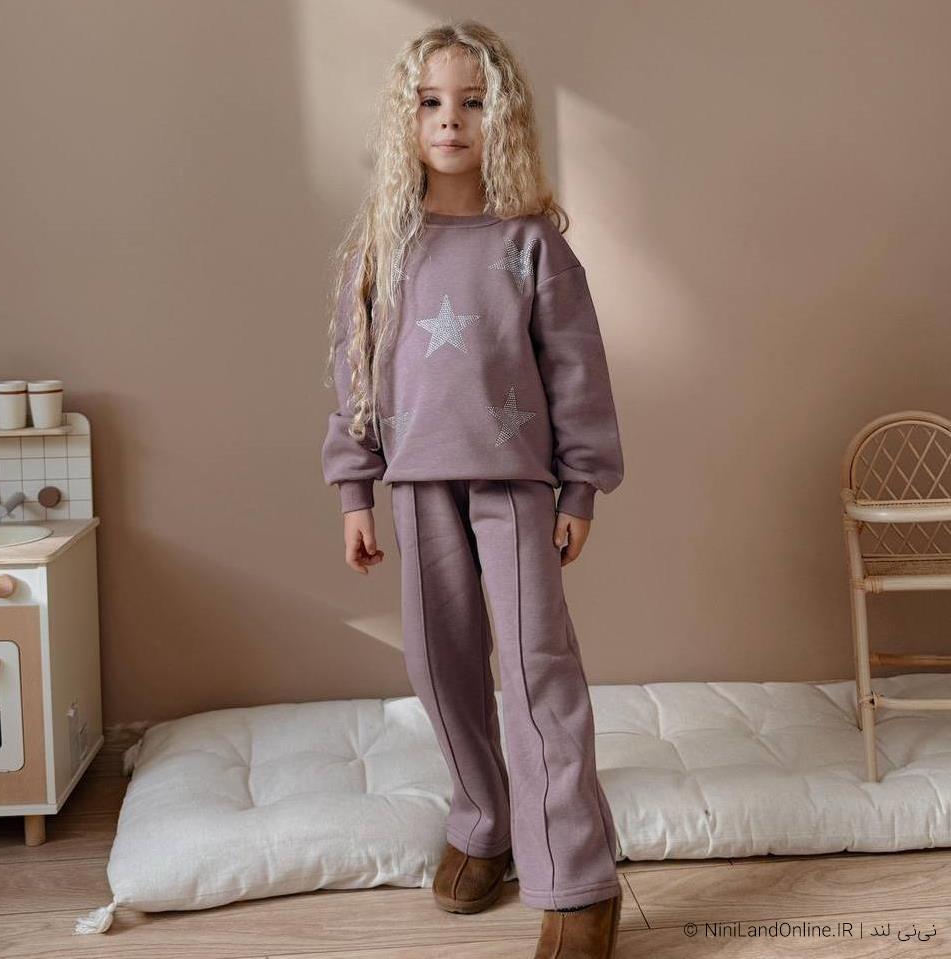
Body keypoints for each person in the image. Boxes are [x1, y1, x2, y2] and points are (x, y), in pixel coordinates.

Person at [320, 19, 625, 959]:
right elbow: (353, 374)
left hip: (516, 485)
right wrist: (354, 489)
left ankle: (576, 881)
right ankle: (481, 821)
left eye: (472, 101)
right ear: (405, 118)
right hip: (416, 485)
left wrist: (580, 488)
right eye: (429, 102)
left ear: (504, 118)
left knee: (538, 672)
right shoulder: (382, 245)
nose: (449, 119)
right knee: (440, 664)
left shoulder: (530, 243)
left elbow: (576, 370)